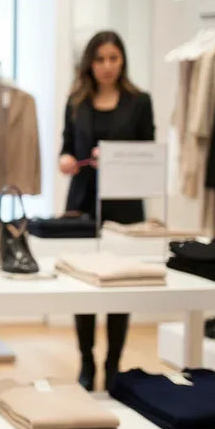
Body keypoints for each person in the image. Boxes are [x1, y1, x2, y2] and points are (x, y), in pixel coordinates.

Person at [59, 30, 154, 392]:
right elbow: (67, 147)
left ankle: (114, 365)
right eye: (100, 59)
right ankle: (86, 361)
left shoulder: (139, 101)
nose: (107, 66)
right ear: (90, 63)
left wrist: (115, 157)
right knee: (82, 283)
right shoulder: (76, 101)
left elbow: (148, 151)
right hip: (82, 202)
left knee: (120, 284)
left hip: (125, 205)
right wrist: (66, 160)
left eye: (113, 58)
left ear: (123, 60)